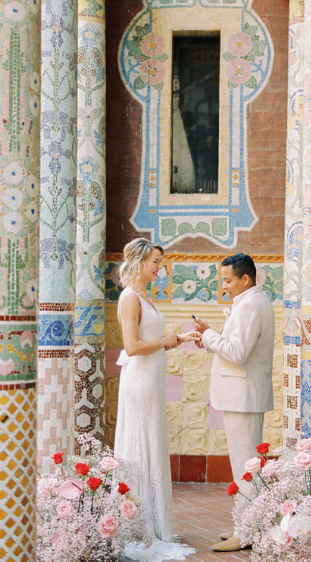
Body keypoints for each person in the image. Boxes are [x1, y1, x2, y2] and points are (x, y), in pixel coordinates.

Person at [113, 238, 201, 562]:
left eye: (160, 262)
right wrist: (164, 340)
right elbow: (133, 347)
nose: (159, 267)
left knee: (153, 441)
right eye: (155, 261)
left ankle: (155, 522)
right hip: (139, 381)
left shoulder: (145, 295)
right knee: (140, 442)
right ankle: (137, 523)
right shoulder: (129, 297)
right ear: (138, 262)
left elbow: (153, 340)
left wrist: (177, 339)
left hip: (152, 380)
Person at [193, 253, 275, 553]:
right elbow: (235, 348)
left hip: (243, 397)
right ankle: (246, 526)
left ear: (245, 279)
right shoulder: (250, 302)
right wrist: (211, 337)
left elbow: (238, 353)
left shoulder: (251, 305)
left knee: (246, 467)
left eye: (227, 281)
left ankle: (248, 531)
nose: (224, 287)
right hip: (242, 395)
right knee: (245, 465)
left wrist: (210, 335)